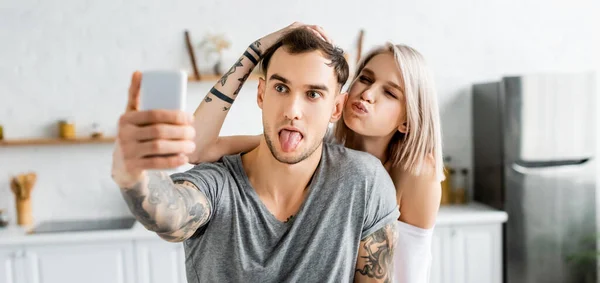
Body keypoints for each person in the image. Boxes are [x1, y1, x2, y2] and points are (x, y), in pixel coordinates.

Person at [111, 27, 400, 283]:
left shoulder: (364, 182)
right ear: (261, 94)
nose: (292, 110)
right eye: (281, 88)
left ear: (336, 109)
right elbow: (167, 214)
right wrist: (133, 172)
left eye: (313, 94)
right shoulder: (219, 183)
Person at [190, 23, 444, 283]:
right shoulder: (317, 147)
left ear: (407, 121)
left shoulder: (418, 173)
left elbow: (412, 272)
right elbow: (199, 148)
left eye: (389, 93)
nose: (367, 94)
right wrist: (257, 49)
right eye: (366, 79)